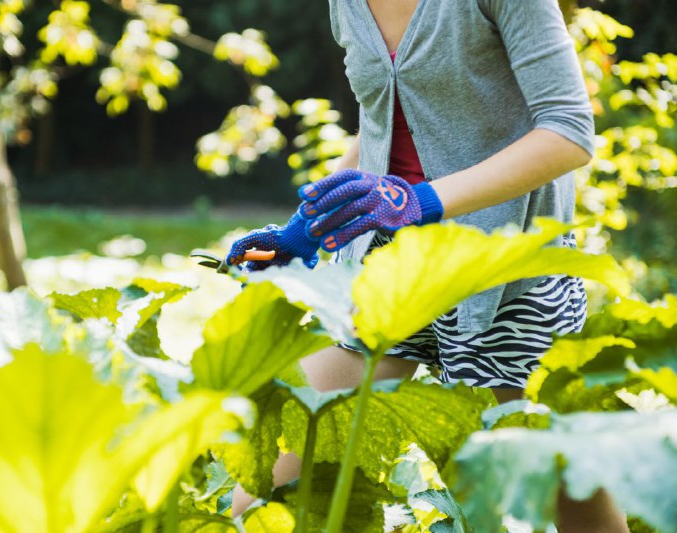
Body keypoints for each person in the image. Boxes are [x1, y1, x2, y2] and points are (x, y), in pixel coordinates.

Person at [225, 0, 629, 531]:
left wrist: (424, 201)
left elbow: (569, 132)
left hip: (502, 271)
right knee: (262, 495)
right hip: (388, 267)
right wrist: (305, 229)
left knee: (576, 503)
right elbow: (381, 121)